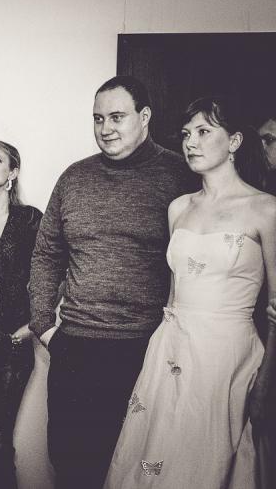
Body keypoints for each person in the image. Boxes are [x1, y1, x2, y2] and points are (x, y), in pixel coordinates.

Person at [29, 75, 197, 489]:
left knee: (137, 468)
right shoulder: (74, 178)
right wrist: (44, 326)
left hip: (147, 348)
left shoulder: (180, 176)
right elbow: (46, 255)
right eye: (98, 118)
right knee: (70, 462)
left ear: (145, 116)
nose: (105, 128)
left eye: (117, 117)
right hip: (75, 345)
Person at [104, 96, 276, 488]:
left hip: (227, 355)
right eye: (186, 134)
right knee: (155, 459)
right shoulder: (178, 208)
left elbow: (275, 308)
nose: (190, 143)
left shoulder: (266, 209)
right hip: (171, 347)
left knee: (206, 461)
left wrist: (267, 381)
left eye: (203, 132)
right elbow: (173, 293)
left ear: (234, 141)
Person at [0, 140, 42, 489]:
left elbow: (51, 274)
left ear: (13, 172)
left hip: (15, 338)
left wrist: (35, 325)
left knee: (4, 426)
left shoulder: (30, 219)